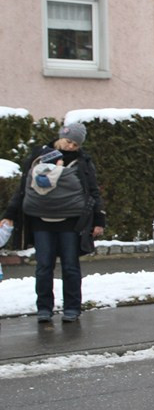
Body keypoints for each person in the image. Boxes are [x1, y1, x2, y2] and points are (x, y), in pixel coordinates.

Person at [2, 122, 105, 323]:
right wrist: (10, 214)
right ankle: (44, 309)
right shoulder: (38, 157)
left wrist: (99, 220)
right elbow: (23, 187)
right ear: (61, 137)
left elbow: (93, 191)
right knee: (43, 266)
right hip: (41, 222)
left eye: (76, 144)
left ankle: (72, 308)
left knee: (70, 266)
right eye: (69, 141)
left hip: (71, 222)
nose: (71, 147)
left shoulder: (82, 161)